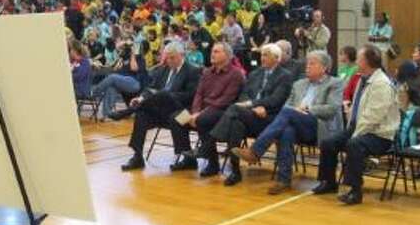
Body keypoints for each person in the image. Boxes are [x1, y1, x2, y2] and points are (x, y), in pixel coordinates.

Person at [235, 51, 343, 194]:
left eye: (312, 64)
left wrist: (308, 109)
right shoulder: (299, 84)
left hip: (318, 126)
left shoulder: (334, 83)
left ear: (324, 68)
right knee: (286, 131)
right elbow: (287, 105)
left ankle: (255, 151)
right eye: (307, 63)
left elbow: (332, 108)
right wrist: (296, 111)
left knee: (288, 113)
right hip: (296, 123)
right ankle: (283, 180)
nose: (307, 67)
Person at [313, 45, 399, 205]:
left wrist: (354, 133)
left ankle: (354, 190)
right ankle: (328, 182)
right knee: (328, 143)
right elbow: (358, 106)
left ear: (367, 62)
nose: (357, 61)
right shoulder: (362, 78)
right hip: (358, 127)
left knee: (354, 144)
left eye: (359, 58)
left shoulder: (381, 84)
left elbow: (373, 117)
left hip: (380, 135)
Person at [210, 44, 293, 186]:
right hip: (249, 114)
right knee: (236, 124)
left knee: (234, 109)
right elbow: (243, 95)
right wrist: (249, 106)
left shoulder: (285, 76)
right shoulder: (255, 73)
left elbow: (276, 100)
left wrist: (251, 105)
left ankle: (210, 142)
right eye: (262, 54)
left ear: (276, 58)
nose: (262, 57)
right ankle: (235, 172)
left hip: (269, 119)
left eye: (266, 55)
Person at [119, 42, 202, 171]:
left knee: (164, 95)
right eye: (167, 57)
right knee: (142, 115)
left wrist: (168, 96)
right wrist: (140, 98)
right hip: (163, 111)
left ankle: (188, 159)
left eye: (172, 57)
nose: (169, 60)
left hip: (184, 112)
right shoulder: (164, 69)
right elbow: (151, 88)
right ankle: (137, 156)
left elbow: (191, 95)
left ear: (181, 55)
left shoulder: (193, 70)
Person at [175, 43, 245, 176]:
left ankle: (212, 163)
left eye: (217, 51)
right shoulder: (207, 72)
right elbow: (199, 94)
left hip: (221, 111)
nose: (212, 54)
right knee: (177, 119)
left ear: (227, 55)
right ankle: (188, 159)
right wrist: (195, 112)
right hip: (201, 111)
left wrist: (199, 115)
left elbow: (226, 100)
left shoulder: (236, 74)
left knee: (203, 120)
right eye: (212, 51)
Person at [90, 40, 147, 120]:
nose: (120, 51)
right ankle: (107, 115)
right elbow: (111, 68)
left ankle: (94, 93)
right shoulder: (121, 59)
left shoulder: (139, 58)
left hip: (134, 83)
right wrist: (98, 66)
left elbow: (134, 69)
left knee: (112, 77)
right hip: (122, 83)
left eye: (123, 49)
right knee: (111, 88)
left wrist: (133, 54)